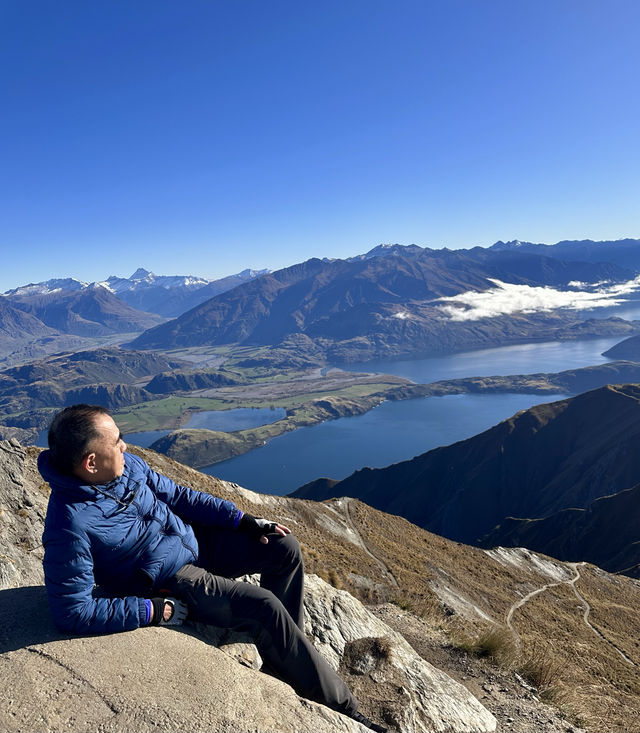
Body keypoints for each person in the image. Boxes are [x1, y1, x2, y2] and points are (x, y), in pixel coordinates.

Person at [39, 404, 387, 733]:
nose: (125, 446)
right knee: (264, 606)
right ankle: (343, 708)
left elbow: (179, 496)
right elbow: (72, 611)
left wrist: (241, 520)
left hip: (191, 542)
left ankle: (287, 659)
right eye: (117, 442)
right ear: (90, 462)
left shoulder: (127, 468)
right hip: (167, 580)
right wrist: (150, 610)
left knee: (285, 548)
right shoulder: (69, 523)